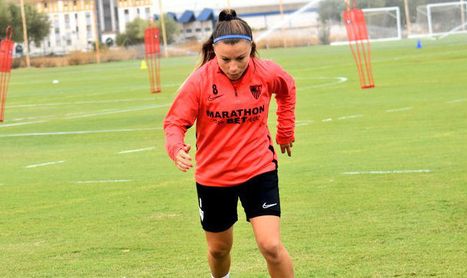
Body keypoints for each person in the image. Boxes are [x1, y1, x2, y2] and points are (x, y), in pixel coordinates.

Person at [163, 9, 295, 278]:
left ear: (252, 50)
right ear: (214, 51)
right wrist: (176, 149)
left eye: (240, 59)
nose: (233, 67)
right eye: (225, 59)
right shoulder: (199, 81)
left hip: (259, 169)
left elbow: (287, 88)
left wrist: (285, 130)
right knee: (219, 250)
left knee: (270, 246)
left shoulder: (267, 72)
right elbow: (174, 123)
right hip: (214, 177)